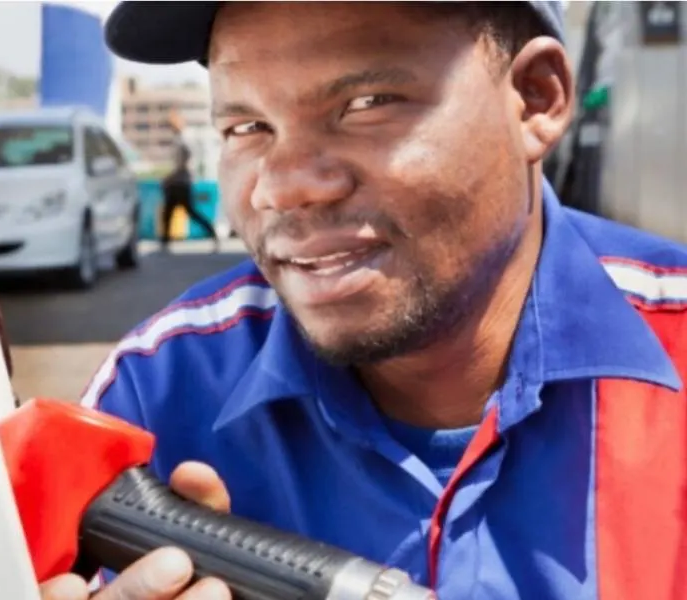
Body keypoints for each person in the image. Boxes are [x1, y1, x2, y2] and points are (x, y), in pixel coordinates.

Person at [42, 1, 687, 599]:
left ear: (533, 99)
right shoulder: (155, 394)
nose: (287, 185)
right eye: (247, 126)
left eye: (366, 103)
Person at [160, 143, 220, 252]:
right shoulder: (177, 146)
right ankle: (165, 242)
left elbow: (181, 167)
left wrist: (169, 178)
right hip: (175, 185)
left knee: (191, 213)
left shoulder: (183, 148)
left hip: (181, 186)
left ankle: (213, 234)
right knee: (168, 215)